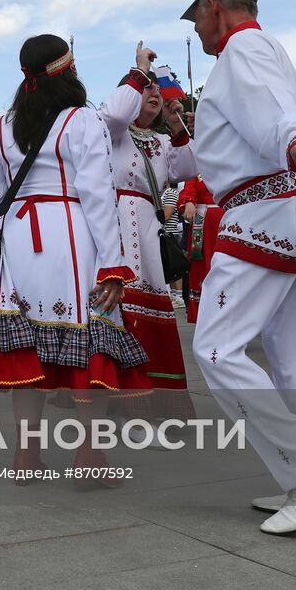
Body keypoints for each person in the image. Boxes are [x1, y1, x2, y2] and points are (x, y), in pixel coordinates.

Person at [182, 0, 296, 536]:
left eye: (199, 19)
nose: (200, 33)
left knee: (217, 348)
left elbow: (271, 112)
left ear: (214, 10)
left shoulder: (241, 50)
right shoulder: (267, 48)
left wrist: (295, 142)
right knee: (292, 348)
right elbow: (276, 108)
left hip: (265, 208)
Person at [0, 35, 148, 483]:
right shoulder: (82, 120)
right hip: (71, 235)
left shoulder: (0, 126)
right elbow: (97, 194)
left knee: (25, 349)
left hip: (17, 239)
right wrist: (113, 264)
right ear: (68, 71)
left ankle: (26, 456)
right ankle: (90, 455)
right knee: (88, 346)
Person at [100, 42, 198, 430]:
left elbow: (190, 167)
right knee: (115, 309)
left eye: (160, 93)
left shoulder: (158, 143)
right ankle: (113, 399)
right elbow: (115, 115)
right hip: (114, 225)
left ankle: (155, 400)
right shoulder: (112, 133)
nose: (155, 96)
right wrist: (139, 69)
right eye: (147, 91)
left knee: (152, 308)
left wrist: (177, 126)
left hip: (148, 229)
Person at [176, 176, 220, 324]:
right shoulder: (197, 166)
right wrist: (188, 201)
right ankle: (206, 318)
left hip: (229, 218)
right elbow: (188, 189)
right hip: (203, 223)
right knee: (202, 267)